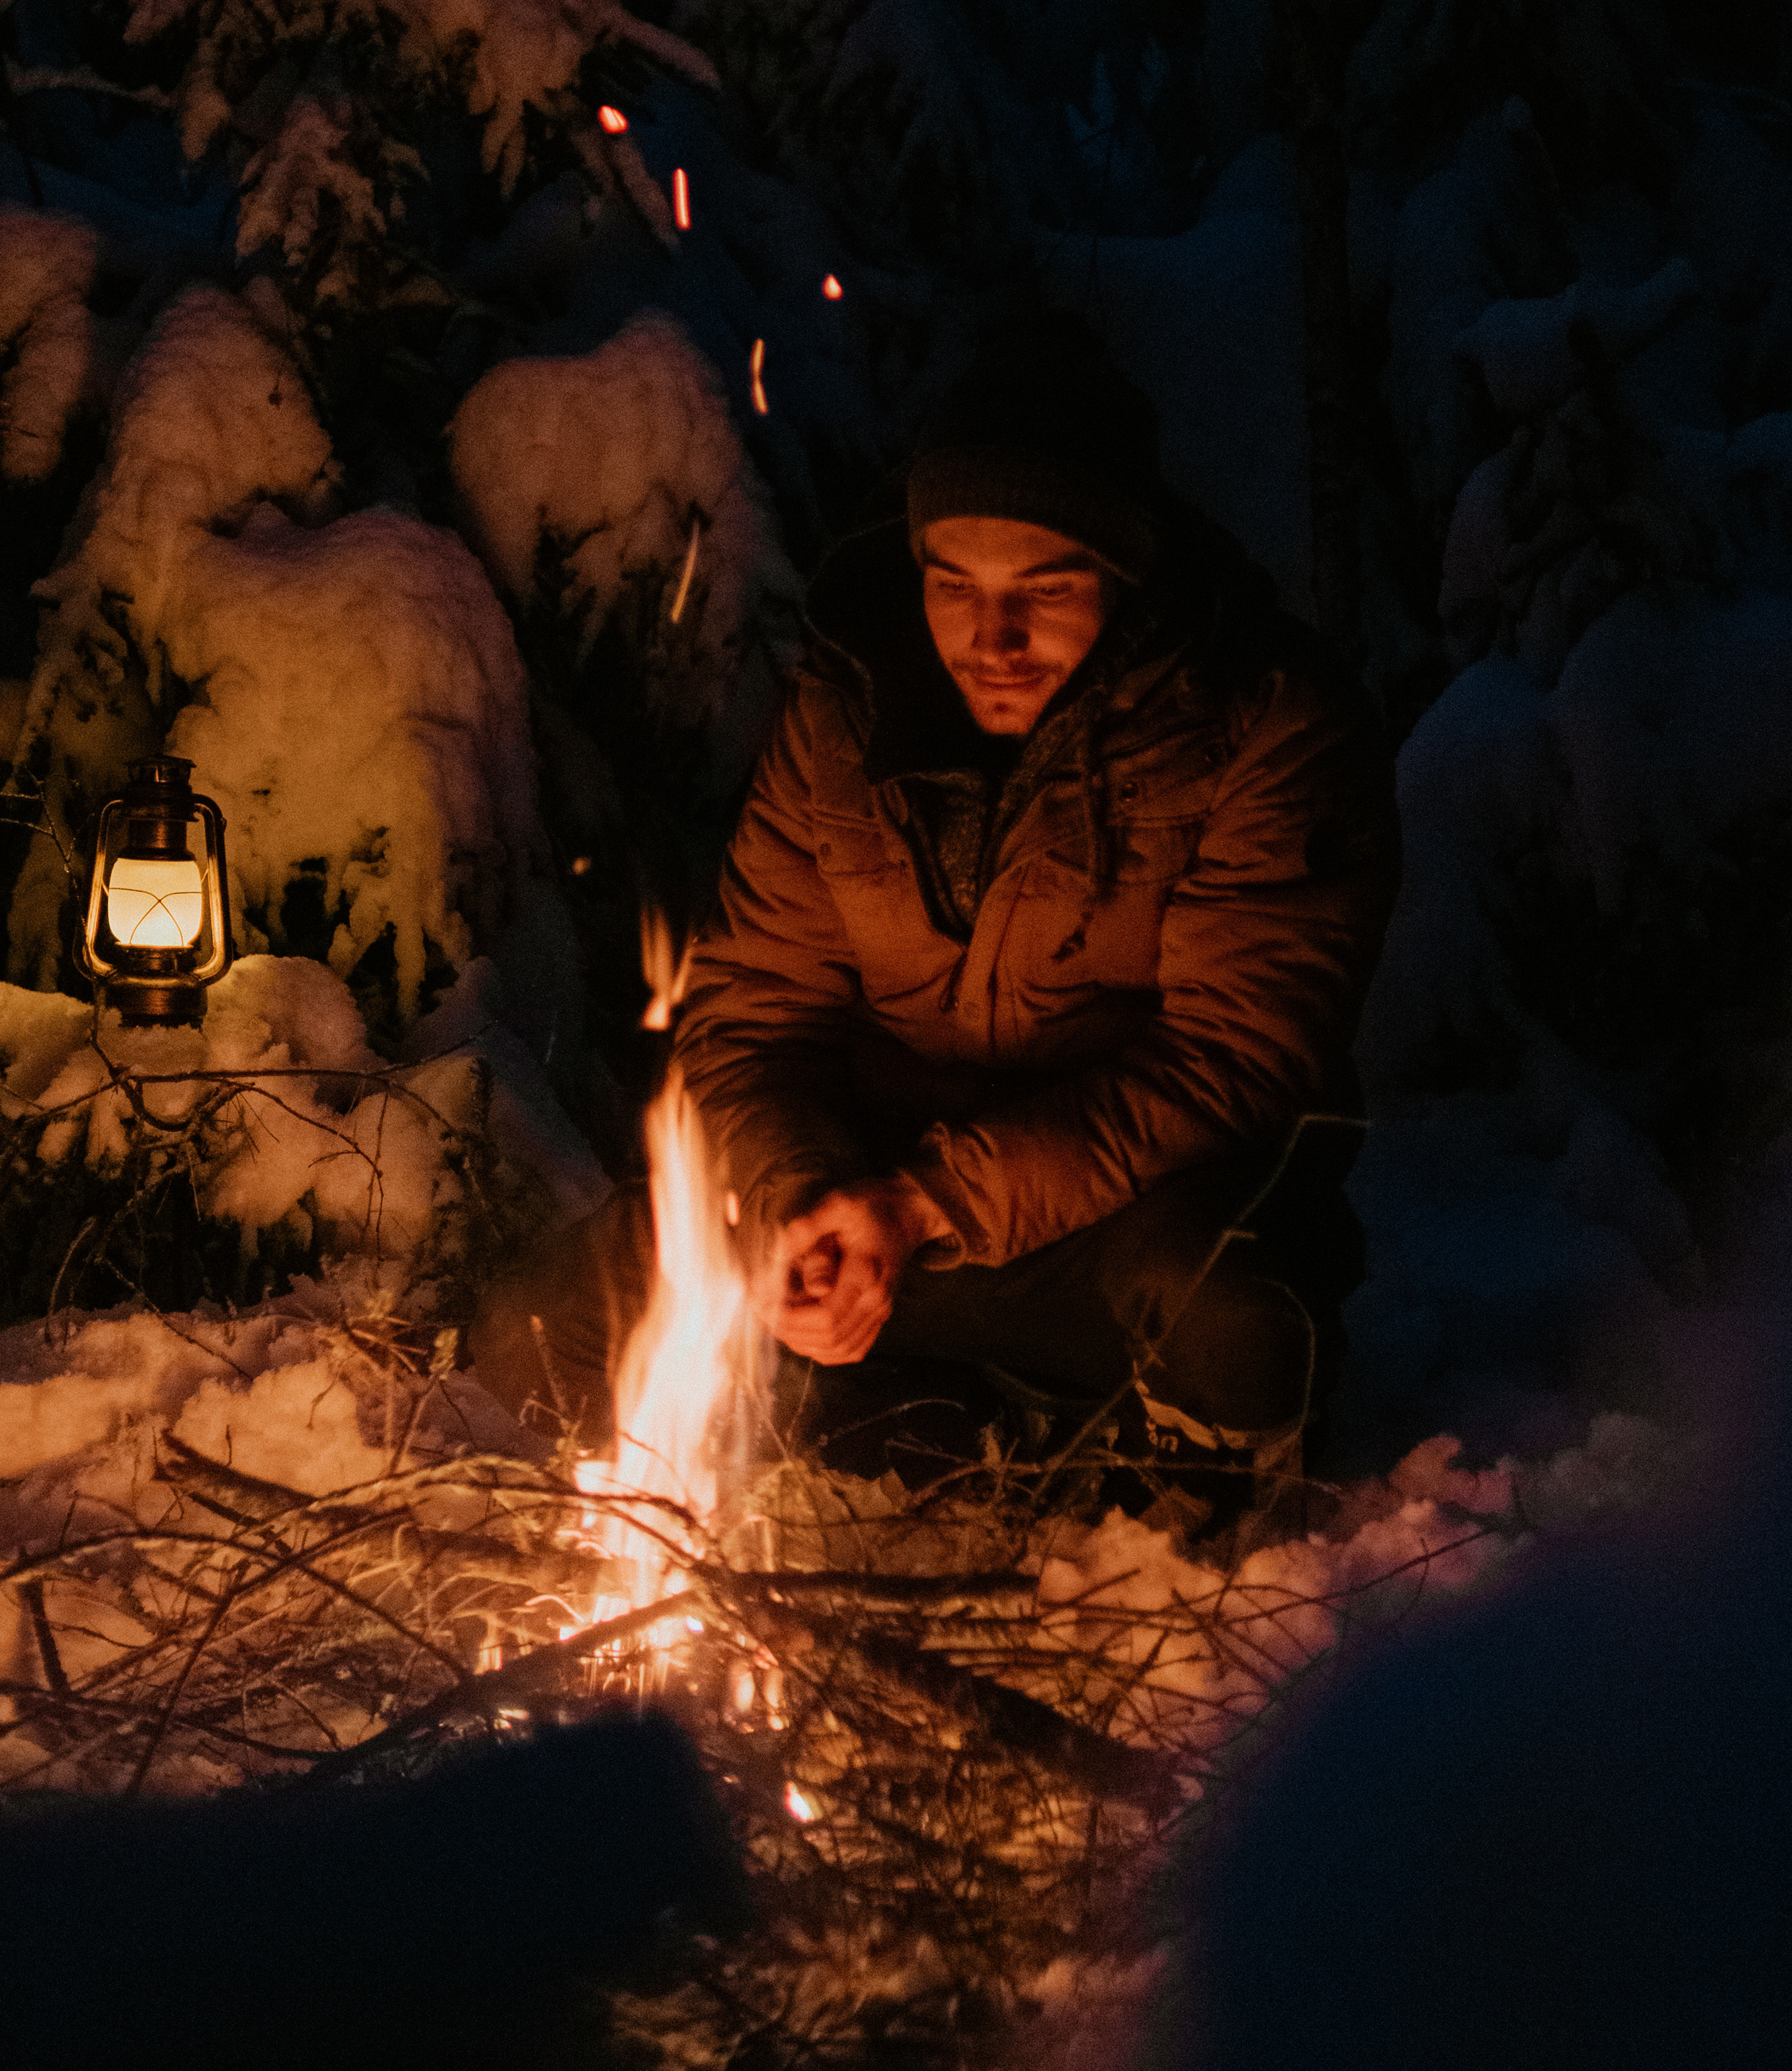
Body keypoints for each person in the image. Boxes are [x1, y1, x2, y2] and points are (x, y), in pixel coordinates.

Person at [469, 308, 1400, 1520]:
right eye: (952, 585)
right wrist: (808, 1195)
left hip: (1116, 1236)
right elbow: (752, 1012)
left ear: (1124, 572)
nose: (990, 637)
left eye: (1045, 591)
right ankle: (928, 1418)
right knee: (537, 1325)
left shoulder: (1265, 724)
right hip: (869, 1221)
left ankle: (1104, 1459)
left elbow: (1233, 1061)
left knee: (1237, 1325)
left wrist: (926, 1206)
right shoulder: (848, 715)